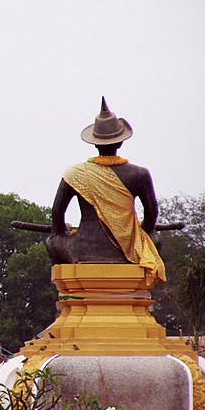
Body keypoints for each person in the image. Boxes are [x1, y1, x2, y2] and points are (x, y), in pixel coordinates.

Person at [45, 97, 165, 283]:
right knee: (154, 240)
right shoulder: (139, 174)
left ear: (94, 143)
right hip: (128, 253)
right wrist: (139, 234)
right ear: (120, 142)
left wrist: (63, 232)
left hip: (82, 250)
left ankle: (67, 297)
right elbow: (151, 215)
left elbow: (57, 214)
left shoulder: (75, 173)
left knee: (52, 242)